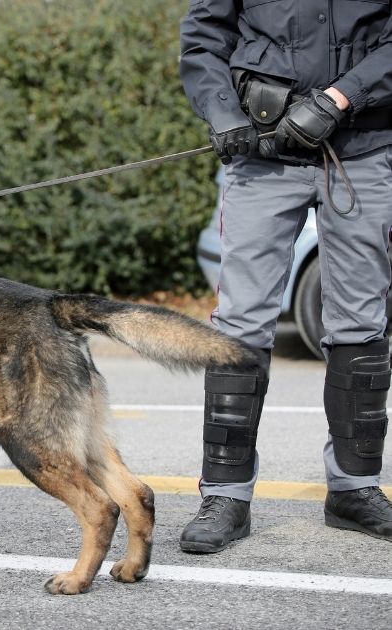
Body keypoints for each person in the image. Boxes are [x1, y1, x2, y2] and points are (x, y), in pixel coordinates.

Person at [178, 0, 392, 552]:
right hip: (263, 154)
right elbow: (204, 40)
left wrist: (341, 98)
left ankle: (354, 490)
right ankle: (225, 495)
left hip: (363, 151)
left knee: (360, 327)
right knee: (238, 328)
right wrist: (223, 114)